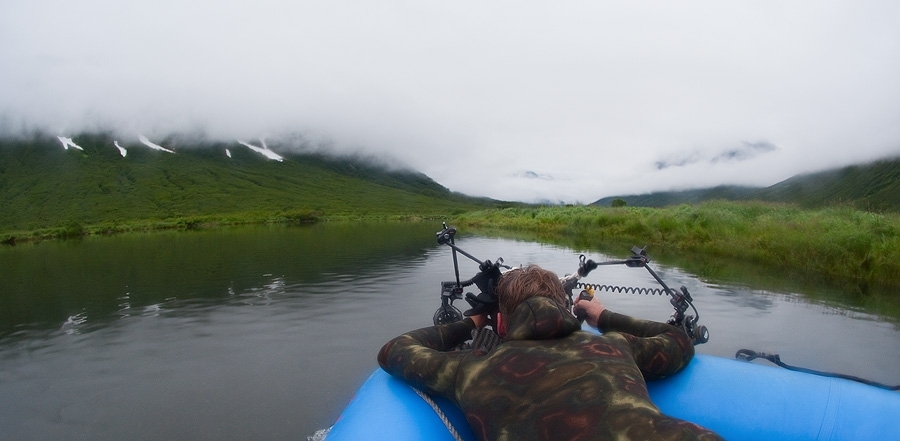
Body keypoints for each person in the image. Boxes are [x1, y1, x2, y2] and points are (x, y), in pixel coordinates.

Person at [378, 265, 724, 441]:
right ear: (567, 311)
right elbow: (679, 340)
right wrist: (603, 317)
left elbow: (395, 350)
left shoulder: (469, 370)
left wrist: (471, 322)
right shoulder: (615, 343)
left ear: (502, 325)